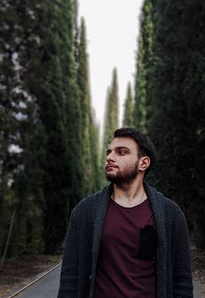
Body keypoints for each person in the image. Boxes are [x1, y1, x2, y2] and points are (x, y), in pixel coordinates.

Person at [57, 127, 193, 298]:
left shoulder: (170, 214)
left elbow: (182, 282)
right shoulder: (84, 213)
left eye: (121, 152)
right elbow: (70, 280)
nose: (109, 157)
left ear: (143, 163)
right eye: (109, 152)